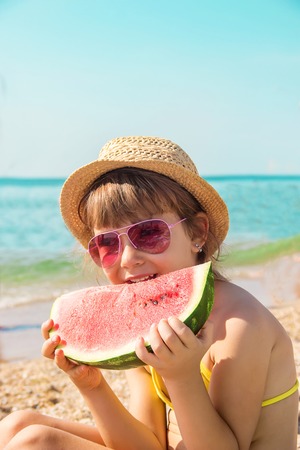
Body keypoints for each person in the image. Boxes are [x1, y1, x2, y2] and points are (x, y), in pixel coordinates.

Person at [0, 136, 298, 450]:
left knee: (36, 442)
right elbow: (145, 444)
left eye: (149, 233)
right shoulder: (146, 318)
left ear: (197, 232)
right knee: (18, 424)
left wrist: (182, 377)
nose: (129, 259)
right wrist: (92, 385)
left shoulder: (240, 326)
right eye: (107, 245)